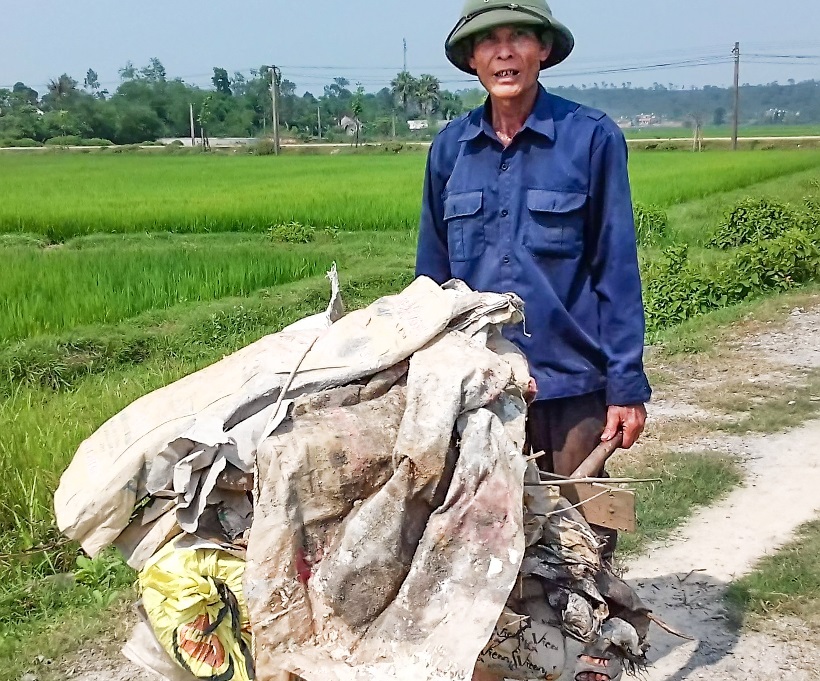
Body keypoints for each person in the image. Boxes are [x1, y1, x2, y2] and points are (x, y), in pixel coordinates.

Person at [415, 2, 652, 680]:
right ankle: (505, 661)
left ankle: (592, 661)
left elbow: (616, 265)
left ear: (543, 49)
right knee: (481, 536)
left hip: (573, 383)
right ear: (471, 59)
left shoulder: (589, 138)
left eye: (518, 35)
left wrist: (627, 384)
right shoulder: (449, 151)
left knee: (583, 538)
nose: (504, 52)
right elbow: (430, 283)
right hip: (482, 391)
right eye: (488, 41)